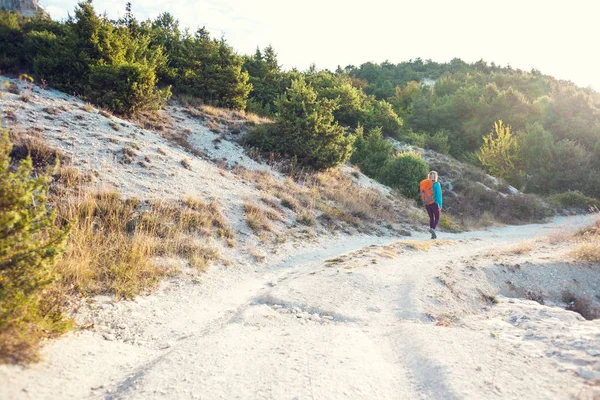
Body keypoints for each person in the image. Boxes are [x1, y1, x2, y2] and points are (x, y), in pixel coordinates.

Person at [419, 171, 443, 239]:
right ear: (435, 176)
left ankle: (432, 234)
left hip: (427, 203)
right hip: (435, 203)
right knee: (437, 218)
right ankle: (433, 229)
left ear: (429, 176)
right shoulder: (437, 184)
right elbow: (439, 195)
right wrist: (440, 205)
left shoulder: (426, 184)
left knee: (431, 218)